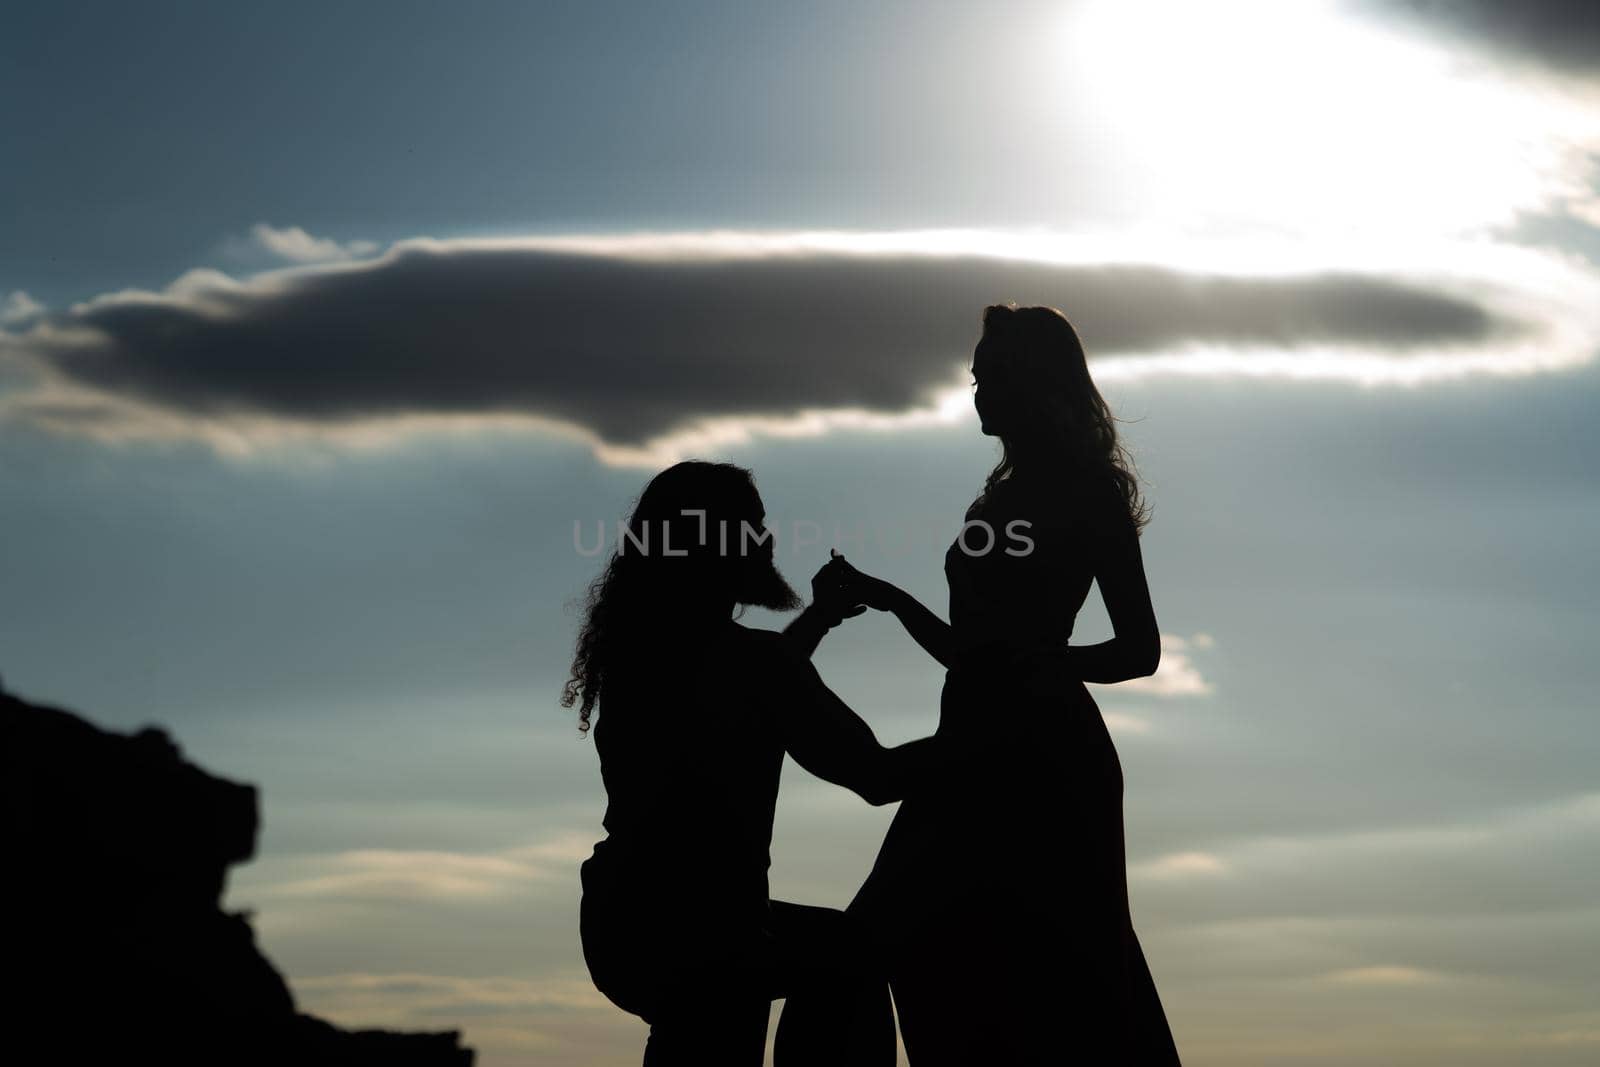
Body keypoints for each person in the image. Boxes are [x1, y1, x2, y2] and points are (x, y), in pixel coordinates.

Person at [822, 304, 1183, 1064]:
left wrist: (1056, 662)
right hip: (969, 748)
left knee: (1062, 975)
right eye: (976, 378)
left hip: (1045, 758)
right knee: (915, 952)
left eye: (991, 377)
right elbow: (974, 653)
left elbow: (1140, 647)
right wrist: (888, 599)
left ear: (1032, 382)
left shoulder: (1090, 493)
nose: (978, 393)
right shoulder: (996, 498)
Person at [562, 460, 944, 1067]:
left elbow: (744, 698)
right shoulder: (754, 666)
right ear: (718, 545)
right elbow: (876, 776)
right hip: (708, 931)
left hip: (627, 921)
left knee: (734, 1018)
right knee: (847, 957)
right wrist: (989, 734)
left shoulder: (646, 653)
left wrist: (816, 621)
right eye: (754, 527)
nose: (766, 542)